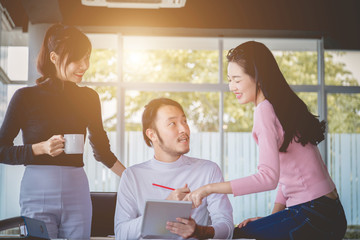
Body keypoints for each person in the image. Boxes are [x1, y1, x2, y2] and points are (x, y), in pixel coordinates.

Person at [187, 41, 347, 240]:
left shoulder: (264, 111)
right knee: (247, 232)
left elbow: (268, 178)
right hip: (331, 213)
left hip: (312, 214)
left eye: (237, 79)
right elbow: (285, 176)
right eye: (229, 79)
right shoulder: (283, 107)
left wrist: (208, 189)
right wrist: (274, 219)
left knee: (237, 236)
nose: (231, 87)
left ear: (258, 78)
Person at [0, 23, 125, 239]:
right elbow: (1, 149)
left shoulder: (89, 97)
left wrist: (132, 177)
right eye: (77, 58)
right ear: (54, 57)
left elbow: (101, 150)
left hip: (76, 189)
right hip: (36, 189)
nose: (84, 65)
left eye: (87, 58)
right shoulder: (25, 97)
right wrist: (38, 149)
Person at [114, 98, 233, 239]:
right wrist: (164, 208)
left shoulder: (208, 170)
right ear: (152, 135)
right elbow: (121, 234)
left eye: (184, 121)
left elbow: (227, 228)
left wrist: (198, 231)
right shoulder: (132, 176)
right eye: (172, 124)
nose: (184, 129)